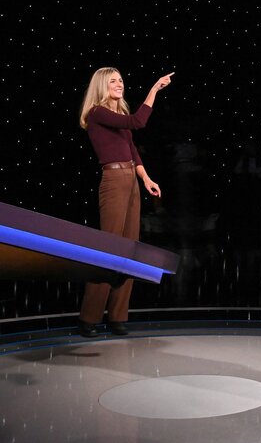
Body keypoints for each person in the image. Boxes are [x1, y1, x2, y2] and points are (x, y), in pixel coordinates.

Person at [77, 67, 173, 337]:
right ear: (101, 86)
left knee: (129, 249)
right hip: (114, 180)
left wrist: (146, 179)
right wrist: (154, 90)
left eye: (121, 80)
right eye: (113, 82)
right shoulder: (97, 113)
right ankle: (89, 317)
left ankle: (117, 316)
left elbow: (132, 151)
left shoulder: (118, 115)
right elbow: (138, 122)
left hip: (130, 179)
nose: (119, 85)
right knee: (109, 249)